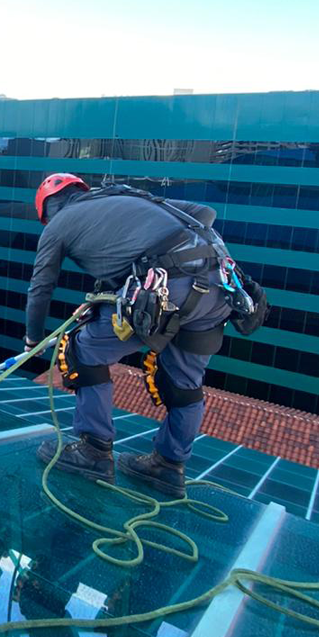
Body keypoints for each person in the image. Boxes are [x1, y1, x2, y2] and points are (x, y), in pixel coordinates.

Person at [24, 174, 267, 498]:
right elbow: (206, 213)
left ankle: (94, 452)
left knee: (83, 352)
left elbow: (40, 288)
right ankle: (168, 466)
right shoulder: (127, 197)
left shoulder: (58, 225)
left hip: (167, 287)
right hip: (219, 289)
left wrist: (33, 340)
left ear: (47, 211)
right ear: (80, 191)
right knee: (183, 383)